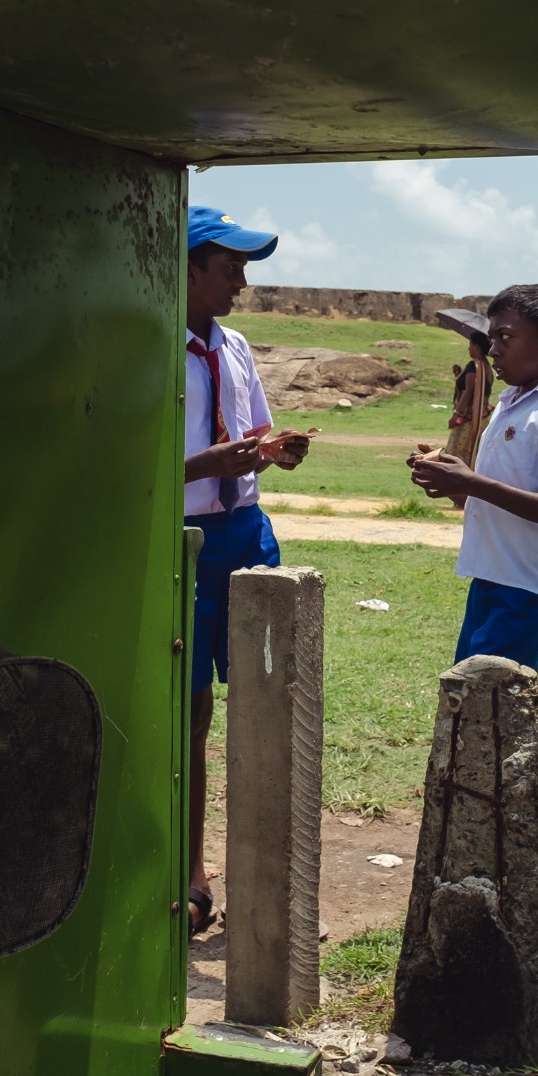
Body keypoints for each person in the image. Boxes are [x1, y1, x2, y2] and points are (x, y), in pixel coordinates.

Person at [182, 205, 312, 937]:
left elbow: (253, 433)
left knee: (269, 696)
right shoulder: (159, 350)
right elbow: (137, 465)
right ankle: (192, 872)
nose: (242, 281)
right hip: (190, 539)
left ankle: (270, 874)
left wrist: (274, 448)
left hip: (247, 534)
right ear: (190, 265)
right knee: (192, 711)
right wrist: (203, 464)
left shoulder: (234, 347)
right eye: (229, 266)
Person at [408, 283, 538, 671]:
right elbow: (496, 492)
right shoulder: (510, 404)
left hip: (526, 584)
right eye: (492, 337)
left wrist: (472, 483)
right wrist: (451, 483)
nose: (493, 349)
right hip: (490, 574)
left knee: (492, 699)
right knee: (469, 689)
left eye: (505, 337)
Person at [443, 331, 495, 470]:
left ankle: (460, 488)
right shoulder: (486, 366)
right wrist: (459, 374)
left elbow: (469, 391)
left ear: (477, 346)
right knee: (472, 451)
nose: (469, 348)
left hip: (468, 417)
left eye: (470, 344)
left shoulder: (474, 365)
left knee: (458, 453)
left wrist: (456, 414)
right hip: (481, 416)